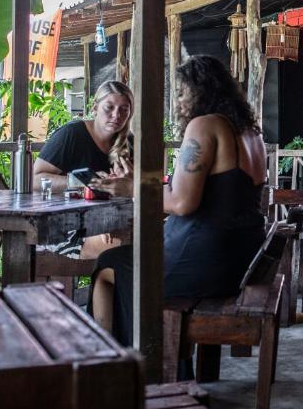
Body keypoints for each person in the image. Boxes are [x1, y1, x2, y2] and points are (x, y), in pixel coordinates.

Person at [92, 55, 267, 346]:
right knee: (125, 259)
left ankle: (114, 361)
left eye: (182, 92)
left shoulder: (204, 126)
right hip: (241, 259)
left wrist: (132, 188)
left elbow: (182, 203)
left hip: (206, 261)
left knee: (107, 264)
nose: (179, 101)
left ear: (201, 91)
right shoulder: (250, 133)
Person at [34, 80, 134, 258]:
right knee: (129, 245)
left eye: (124, 109)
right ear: (95, 107)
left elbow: (135, 190)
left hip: (111, 219)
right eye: (109, 107)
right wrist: (85, 182)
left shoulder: (129, 142)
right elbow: (34, 179)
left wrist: (129, 183)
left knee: (154, 235)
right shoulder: (72, 134)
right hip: (63, 225)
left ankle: (107, 282)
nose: (116, 115)